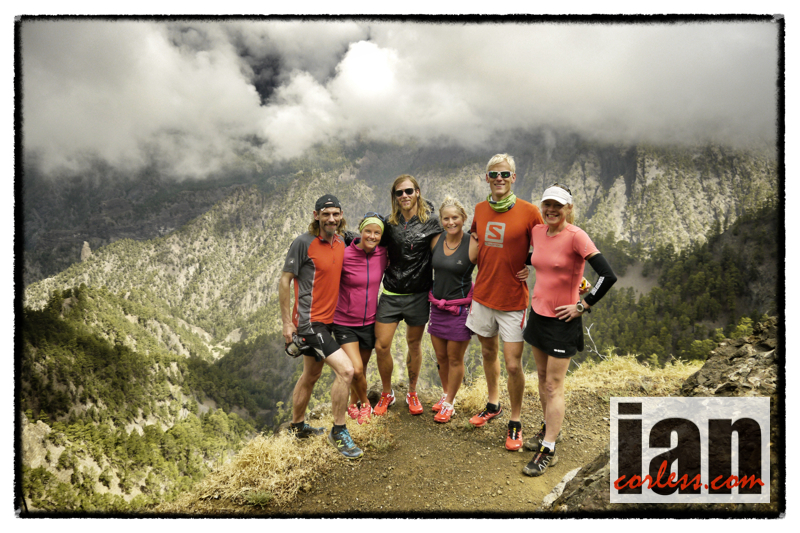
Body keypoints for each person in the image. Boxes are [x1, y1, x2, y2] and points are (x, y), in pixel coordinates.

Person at [521, 183, 617, 477]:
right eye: (547, 204)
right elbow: (539, 258)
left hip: (563, 320)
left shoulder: (576, 236)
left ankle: (548, 448)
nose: (551, 210)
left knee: (553, 385)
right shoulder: (538, 231)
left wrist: (583, 305)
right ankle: (549, 428)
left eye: (558, 206)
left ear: (568, 208)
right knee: (541, 378)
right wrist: (525, 266)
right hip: (538, 314)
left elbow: (608, 275)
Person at [466, 153, 543, 451]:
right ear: (486, 178)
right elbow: (477, 244)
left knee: (512, 364)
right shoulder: (479, 209)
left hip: (512, 300)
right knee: (488, 352)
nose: (499, 179)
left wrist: (529, 262)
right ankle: (493, 404)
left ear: (514, 177)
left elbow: (547, 244)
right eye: (494, 174)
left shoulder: (529, 211)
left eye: (505, 174)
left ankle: (515, 420)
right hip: (484, 294)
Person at [279, 194, 363, 459]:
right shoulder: (303, 243)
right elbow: (284, 280)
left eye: (335, 214)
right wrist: (287, 323)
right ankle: (339, 431)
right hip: (310, 323)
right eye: (325, 214)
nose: (331, 219)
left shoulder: (341, 242)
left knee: (311, 375)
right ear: (316, 216)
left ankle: (297, 427)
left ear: (341, 215)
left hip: (329, 321)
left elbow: (368, 241)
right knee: (346, 370)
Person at [372, 175, 442, 416]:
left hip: (418, 295)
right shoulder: (388, 224)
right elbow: (369, 240)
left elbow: (444, 252)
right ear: (394, 196)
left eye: (408, 191)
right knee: (381, 346)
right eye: (399, 192)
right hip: (391, 293)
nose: (404, 196)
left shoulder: (432, 222)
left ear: (418, 192)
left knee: (414, 344)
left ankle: (412, 392)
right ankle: (387, 392)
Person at [333, 213, 389, 426]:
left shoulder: (383, 254)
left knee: (362, 368)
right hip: (344, 322)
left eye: (377, 233)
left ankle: (352, 403)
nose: (372, 236)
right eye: (368, 231)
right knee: (355, 369)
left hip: (370, 322)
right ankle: (365, 404)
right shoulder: (344, 255)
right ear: (361, 231)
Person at [427, 197, 478, 423]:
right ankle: (446, 393)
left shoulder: (473, 243)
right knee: (441, 357)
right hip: (437, 307)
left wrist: (522, 270)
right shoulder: (436, 240)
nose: (450, 222)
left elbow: (493, 266)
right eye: (446, 218)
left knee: (455, 358)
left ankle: (449, 404)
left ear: (463, 218)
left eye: (455, 217)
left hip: (459, 309)